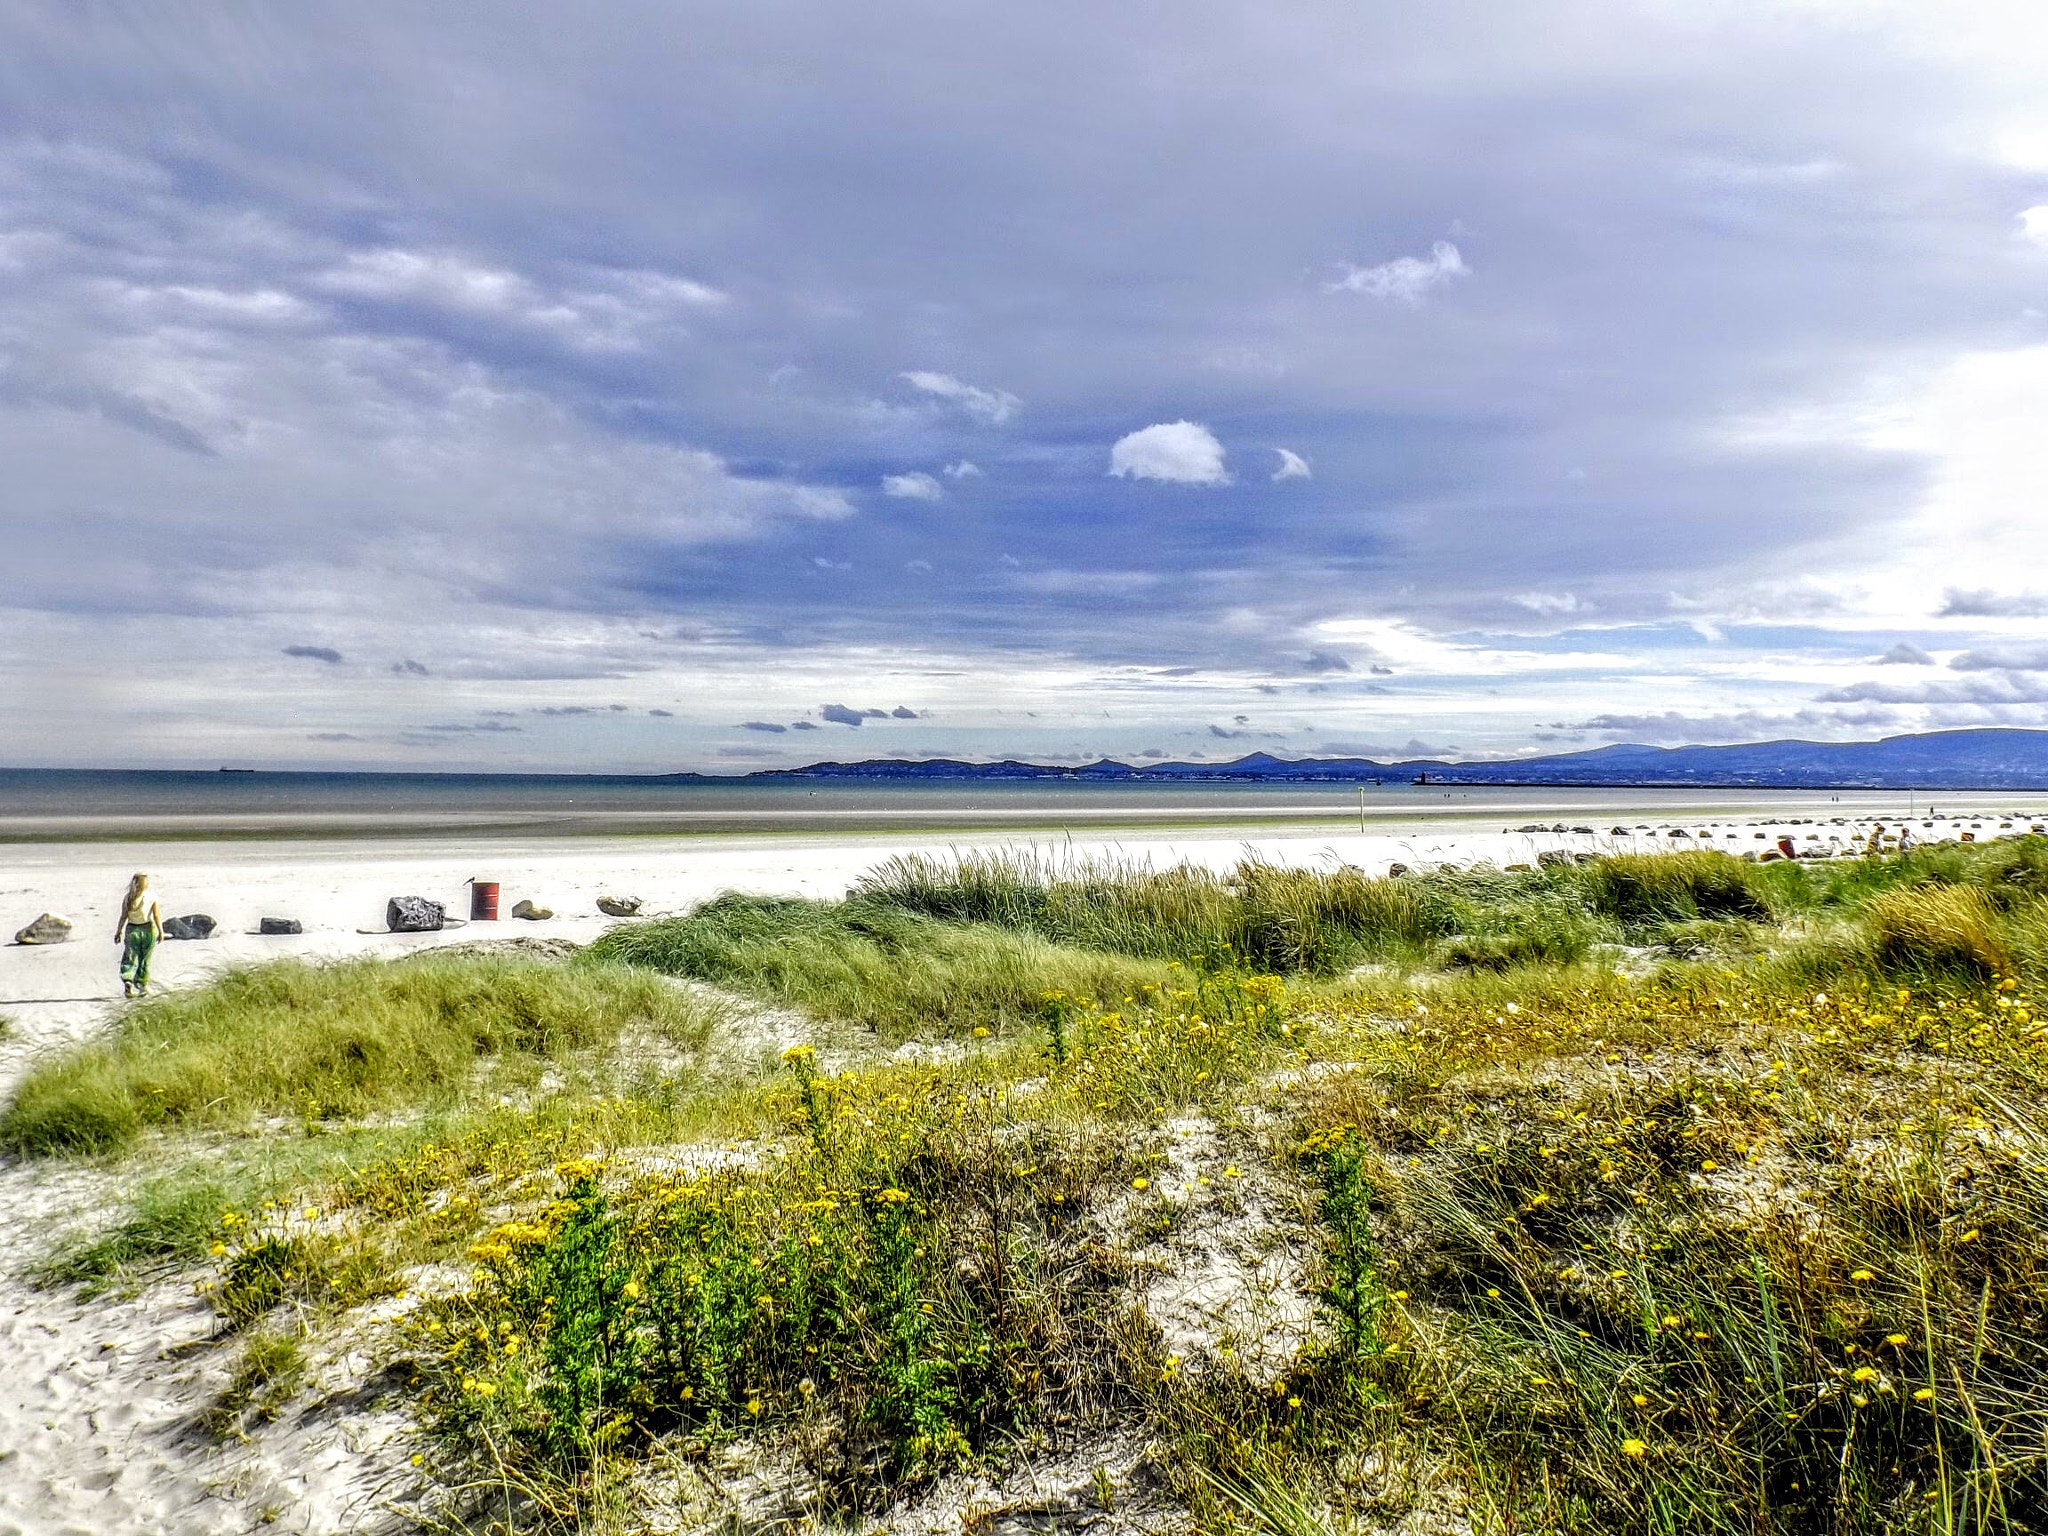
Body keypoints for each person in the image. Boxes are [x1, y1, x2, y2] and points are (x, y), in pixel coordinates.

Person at [115, 872, 162, 998]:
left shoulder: (128, 898)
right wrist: (161, 931)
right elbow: (156, 916)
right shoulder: (152, 896)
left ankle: (128, 980)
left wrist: (118, 931)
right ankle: (142, 986)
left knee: (130, 957)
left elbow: (123, 916)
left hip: (132, 930)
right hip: (148, 929)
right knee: (145, 959)